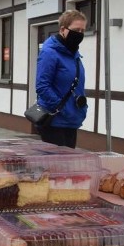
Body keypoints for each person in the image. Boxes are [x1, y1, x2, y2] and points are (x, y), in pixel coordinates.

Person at [33, 9, 88, 148]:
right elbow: (42, 86)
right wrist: (63, 109)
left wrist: (81, 110)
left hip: (71, 121)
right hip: (54, 121)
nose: (79, 34)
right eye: (76, 29)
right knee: (56, 167)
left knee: (67, 166)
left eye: (83, 31)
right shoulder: (49, 53)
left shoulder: (74, 54)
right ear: (63, 29)